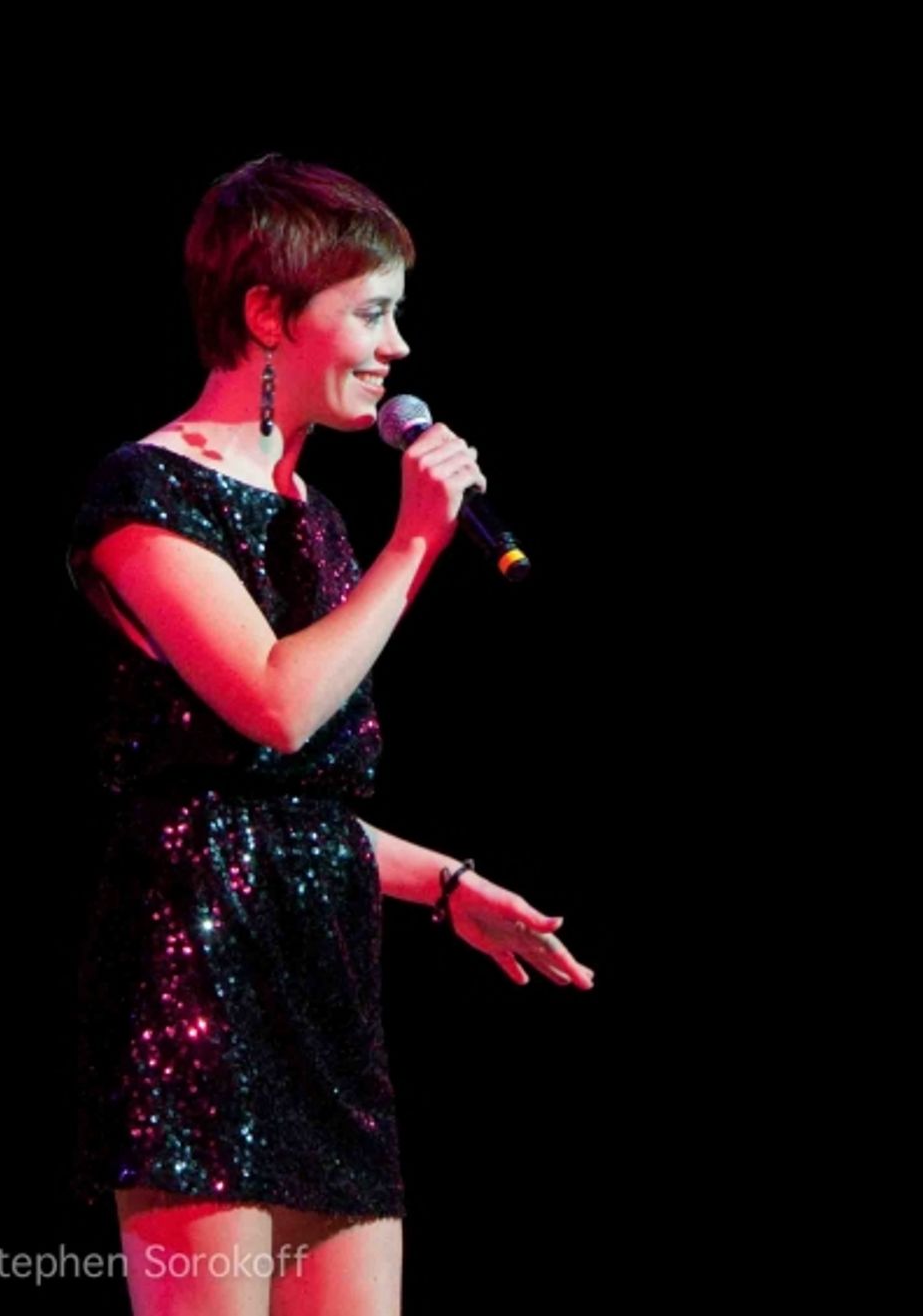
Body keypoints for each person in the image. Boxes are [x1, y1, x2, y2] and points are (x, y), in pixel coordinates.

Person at [66, 154, 593, 1315]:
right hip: (197, 981)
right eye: (371, 312)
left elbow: (288, 807)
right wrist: (415, 548)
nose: (397, 347)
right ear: (267, 313)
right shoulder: (147, 493)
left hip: (324, 992)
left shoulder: (321, 523)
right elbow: (271, 704)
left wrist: (448, 885)